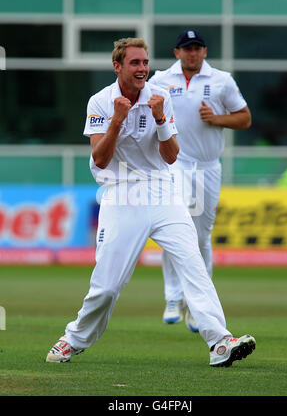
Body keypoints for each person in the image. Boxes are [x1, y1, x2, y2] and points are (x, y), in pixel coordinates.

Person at [46, 38, 255, 367]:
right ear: (118, 67)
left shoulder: (160, 100)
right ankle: (73, 339)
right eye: (135, 63)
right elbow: (100, 160)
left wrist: (159, 119)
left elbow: (172, 156)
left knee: (193, 264)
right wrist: (117, 119)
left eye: (145, 62)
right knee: (107, 286)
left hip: (162, 191)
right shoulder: (101, 101)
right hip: (121, 193)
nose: (143, 68)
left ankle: (219, 342)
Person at [149, 30, 252, 332]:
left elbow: (244, 118)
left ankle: (198, 305)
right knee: (175, 226)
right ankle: (173, 296)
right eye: (186, 48)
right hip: (176, 163)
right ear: (176, 52)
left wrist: (217, 118)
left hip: (208, 167)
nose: (192, 53)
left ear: (205, 52)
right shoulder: (160, 79)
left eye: (197, 48)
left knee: (201, 236)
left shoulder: (221, 80)